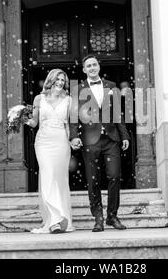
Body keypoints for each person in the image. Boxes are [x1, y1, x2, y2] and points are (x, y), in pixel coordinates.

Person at [70, 55, 131, 232]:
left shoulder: (111, 86)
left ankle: (112, 215)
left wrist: (124, 135)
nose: (92, 68)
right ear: (84, 69)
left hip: (111, 139)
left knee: (114, 176)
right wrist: (74, 136)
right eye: (88, 66)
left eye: (94, 64)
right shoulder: (77, 89)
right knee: (93, 180)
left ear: (99, 66)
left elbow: (118, 113)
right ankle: (98, 218)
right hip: (90, 140)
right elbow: (74, 116)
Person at [26, 69, 74, 234]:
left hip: (61, 141)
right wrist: (19, 116)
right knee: (47, 176)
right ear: (51, 80)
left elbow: (69, 124)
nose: (60, 83)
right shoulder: (39, 98)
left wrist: (71, 140)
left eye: (63, 80)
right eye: (57, 80)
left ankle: (62, 218)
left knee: (59, 179)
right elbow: (33, 122)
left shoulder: (68, 100)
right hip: (43, 142)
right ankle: (54, 220)